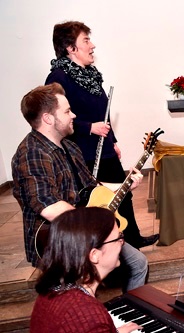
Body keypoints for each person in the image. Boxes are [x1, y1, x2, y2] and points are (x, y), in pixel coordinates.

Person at [11, 83, 148, 291]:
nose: (73, 115)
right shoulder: (32, 153)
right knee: (76, 295)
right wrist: (96, 229)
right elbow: (50, 209)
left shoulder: (69, 145)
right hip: (58, 243)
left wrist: (124, 185)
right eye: (67, 111)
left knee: (138, 264)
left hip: (83, 233)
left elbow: (93, 187)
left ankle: (129, 314)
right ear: (48, 118)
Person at [44, 21, 158, 249]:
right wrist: (89, 128)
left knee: (123, 192)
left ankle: (132, 238)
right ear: (70, 48)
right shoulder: (58, 77)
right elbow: (56, 118)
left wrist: (112, 141)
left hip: (103, 147)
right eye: (86, 40)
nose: (92, 45)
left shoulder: (92, 75)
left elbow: (103, 113)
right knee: (95, 199)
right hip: (81, 151)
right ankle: (100, 243)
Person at [29, 207, 142, 333]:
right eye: (118, 238)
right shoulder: (88, 315)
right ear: (94, 255)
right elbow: (84, 326)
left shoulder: (52, 291)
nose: (121, 243)